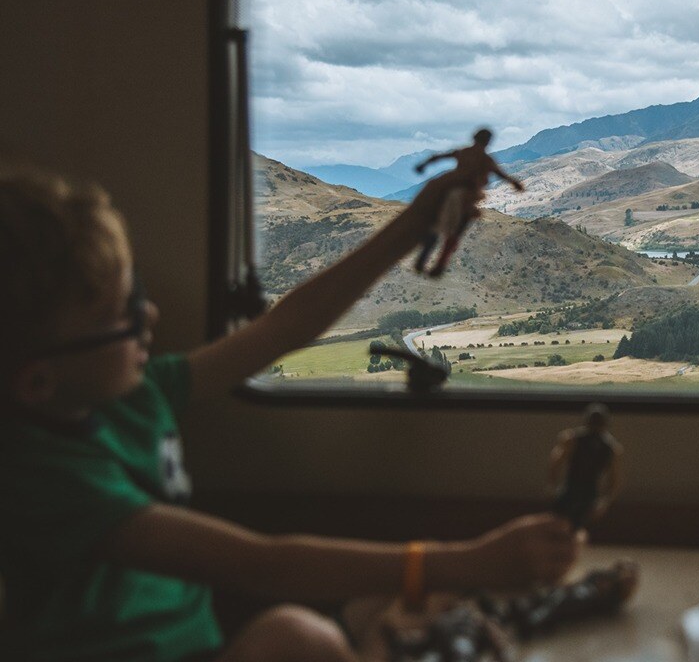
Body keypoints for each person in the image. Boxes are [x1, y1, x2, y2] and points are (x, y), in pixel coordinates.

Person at [0, 166, 580, 662]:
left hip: (198, 647)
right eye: (121, 319)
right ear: (38, 380)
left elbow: (286, 326)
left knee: (377, 604)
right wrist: (471, 562)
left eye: (136, 294)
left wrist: (414, 222)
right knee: (300, 633)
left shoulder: (138, 393)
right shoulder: (40, 479)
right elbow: (261, 567)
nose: (149, 315)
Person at [413, 128, 524, 277]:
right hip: (465, 200)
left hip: (450, 195)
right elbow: (501, 174)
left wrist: (423, 164)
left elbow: (439, 157)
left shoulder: (464, 152)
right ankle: (439, 265)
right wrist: (515, 183)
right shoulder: (486, 160)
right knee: (455, 233)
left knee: (438, 227)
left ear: (474, 138)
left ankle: (426, 259)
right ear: (488, 142)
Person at [547, 403, 623, 530]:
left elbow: (614, 479)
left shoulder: (611, 448)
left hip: (589, 492)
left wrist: (605, 502)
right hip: (570, 488)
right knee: (559, 523)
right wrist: (552, 486)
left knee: (576, 527)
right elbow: (555, 462)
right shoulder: (572, 439)